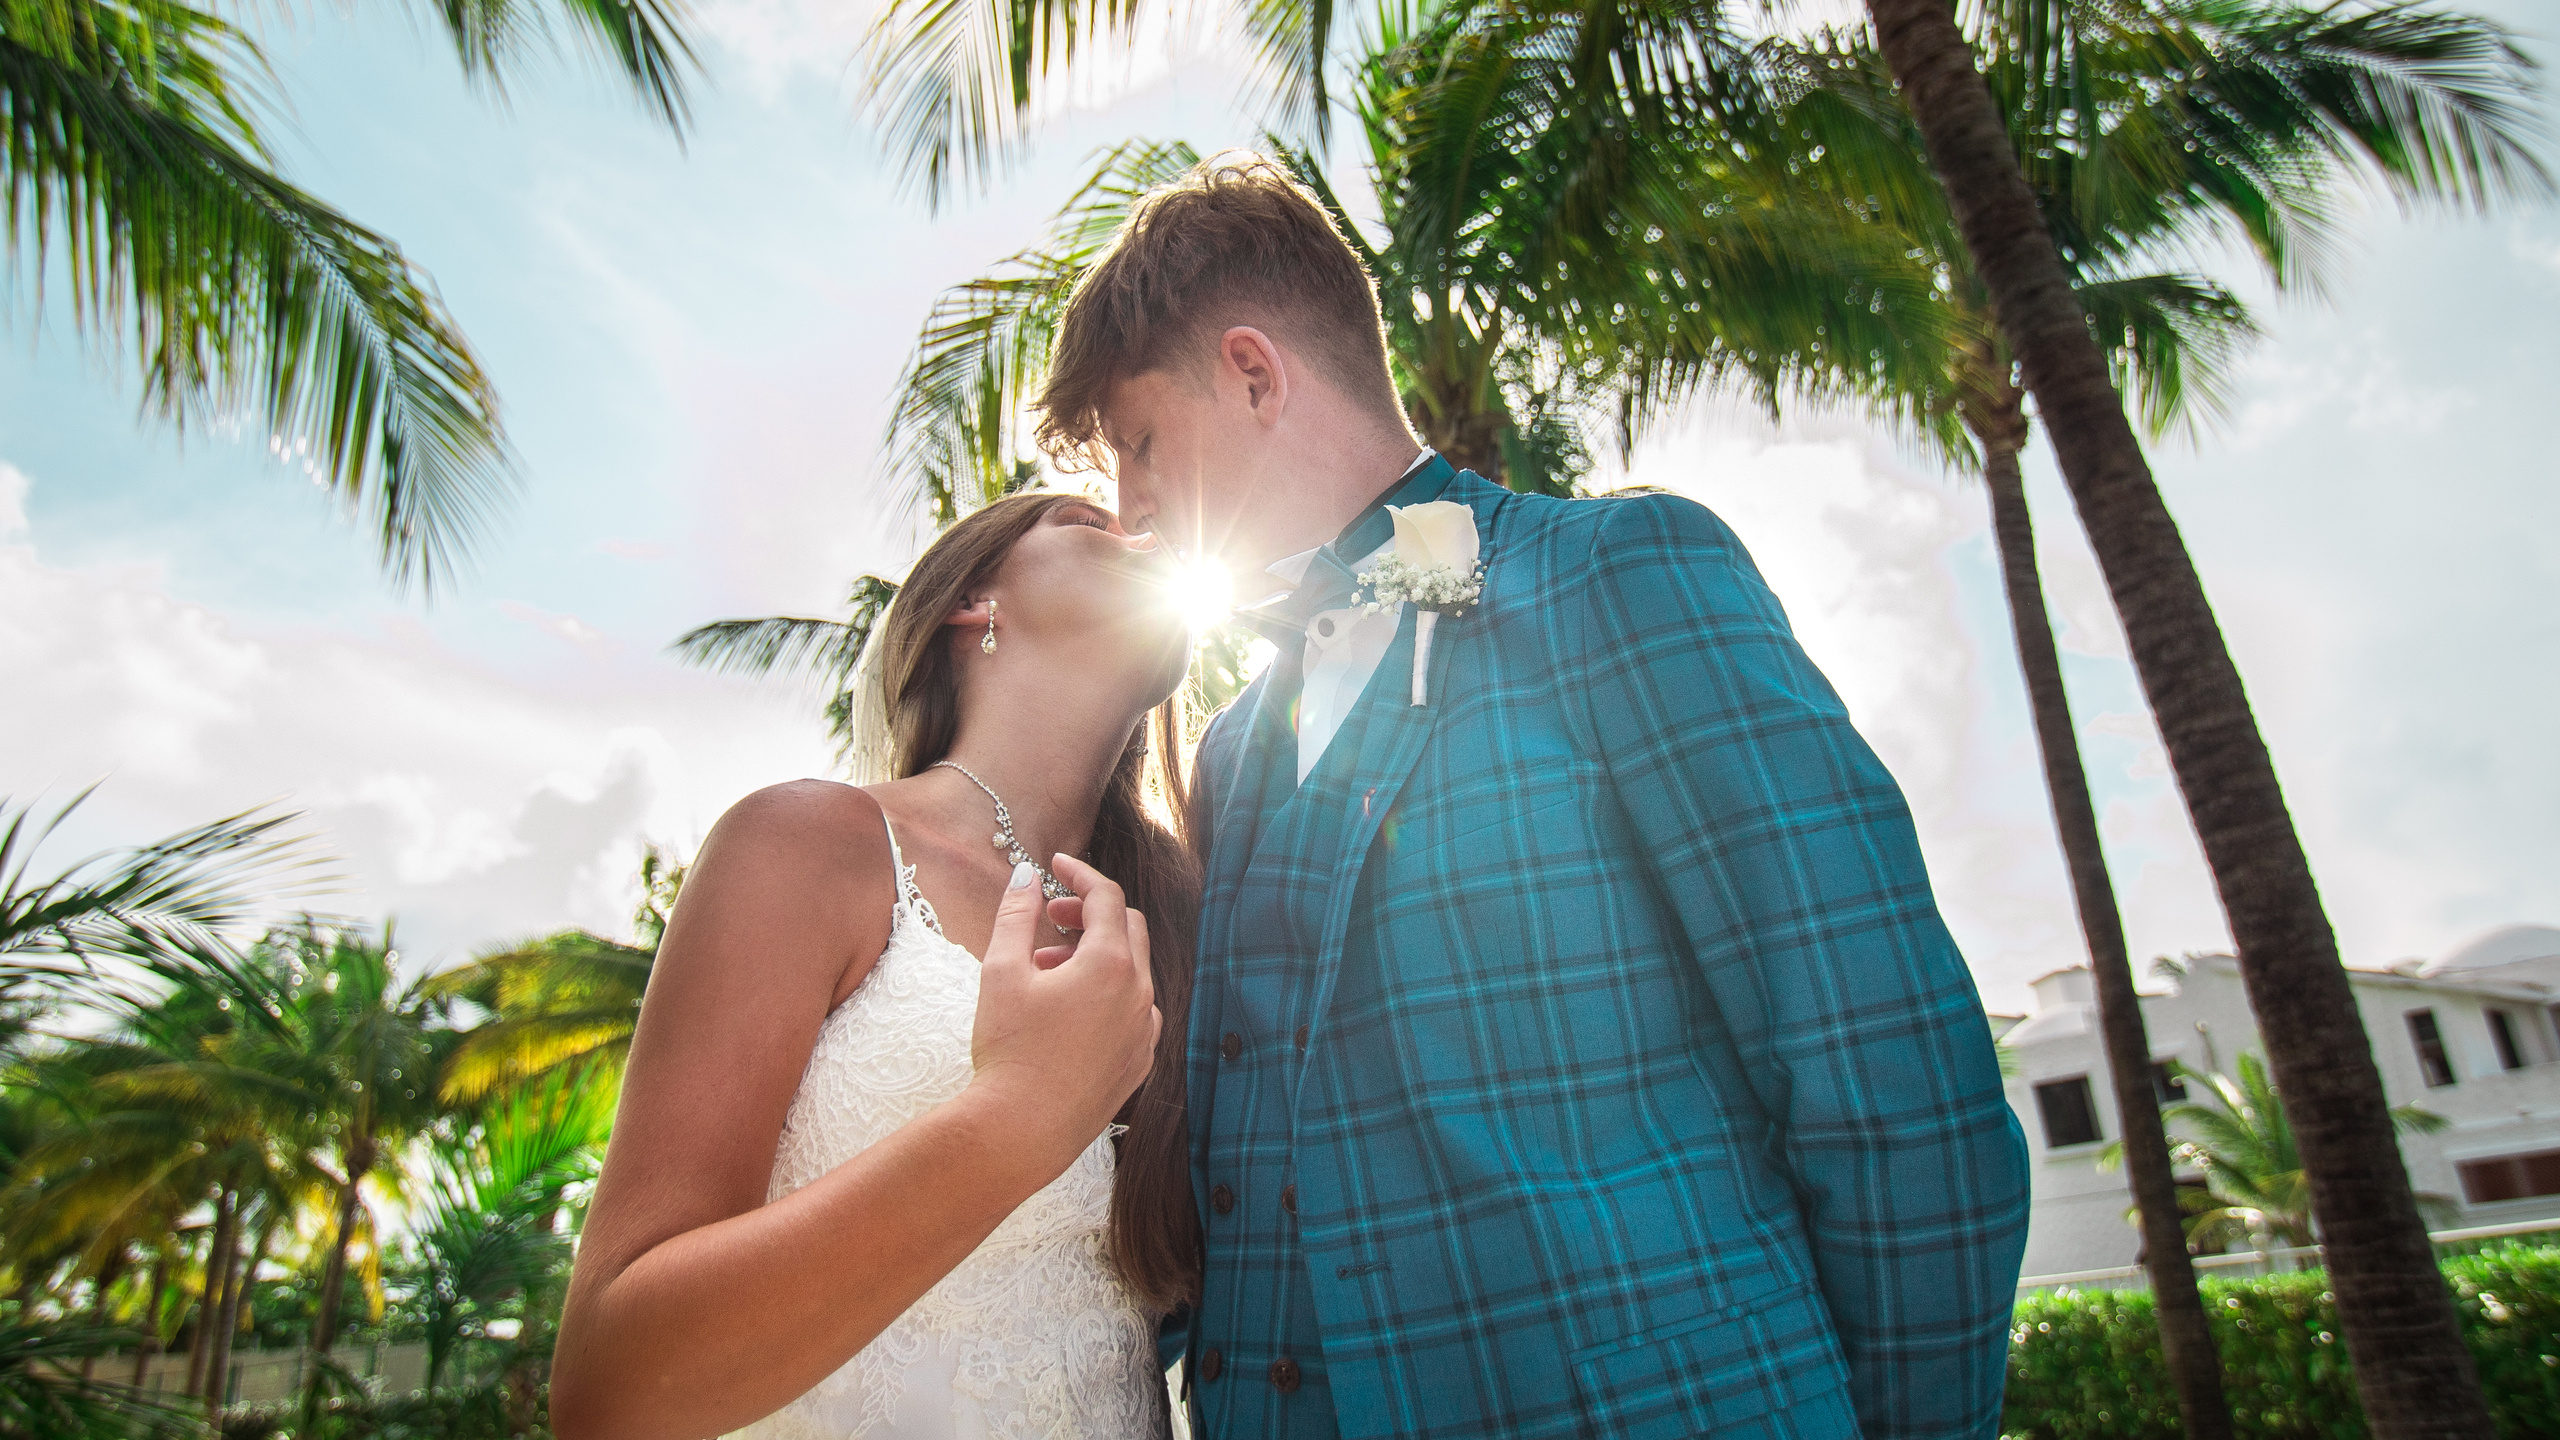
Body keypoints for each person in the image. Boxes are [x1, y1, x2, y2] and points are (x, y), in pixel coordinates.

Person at [1036, 154, 2034, 1439]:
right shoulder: (1233, 747)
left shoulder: (1618, 578)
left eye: (1139, 445)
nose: (1132, 509)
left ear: (1251, 371)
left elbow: (1888, 1080)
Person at [550, 493, 1206, 1440]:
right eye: (1089, 525)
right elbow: (609, 1389)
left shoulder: (1180, 922)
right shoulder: (807, 846)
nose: (1145, 537)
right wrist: (1017, 1116)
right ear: (974, 602)